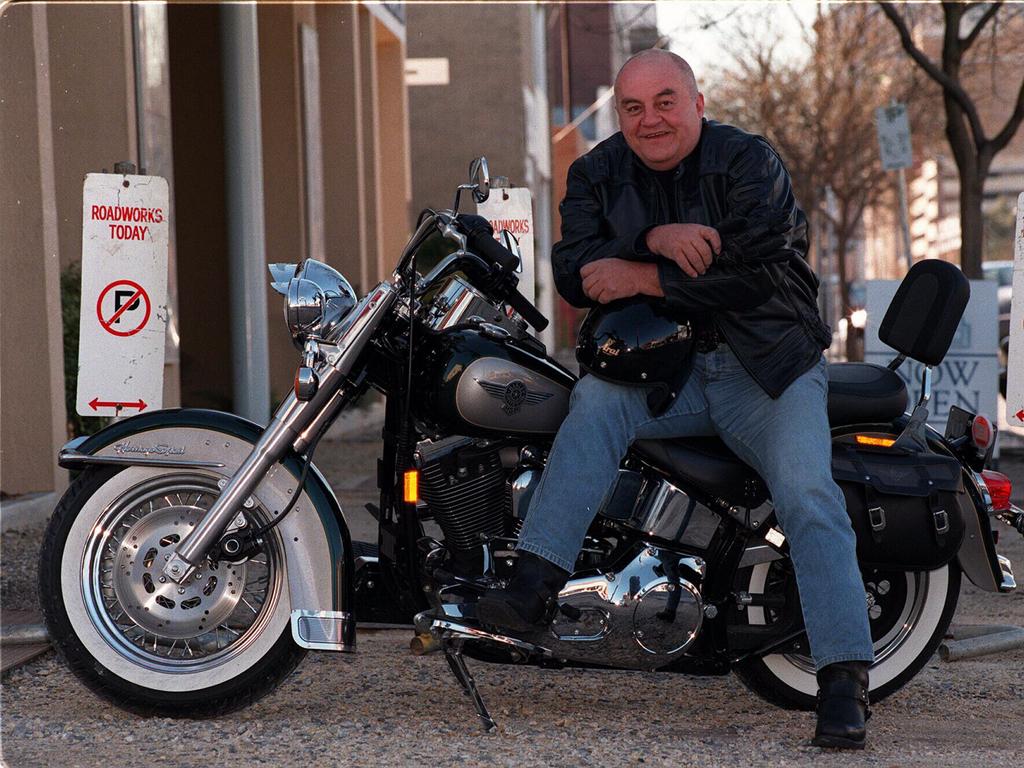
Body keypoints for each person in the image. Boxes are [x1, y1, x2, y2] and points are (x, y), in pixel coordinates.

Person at [477, 49, 873, 749]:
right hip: (667, 372)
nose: (650, 119)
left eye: (665, 102)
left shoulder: (749, 162)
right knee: (594, 406)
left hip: (766, 369)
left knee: (808, 494)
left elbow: (757, 274)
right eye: (633, 107)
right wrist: (654, 238)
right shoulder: (595, 171)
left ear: (696, 102)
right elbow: (573, 269)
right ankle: (534, 583)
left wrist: (642, 276)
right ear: (620, 114)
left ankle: (843, 679)